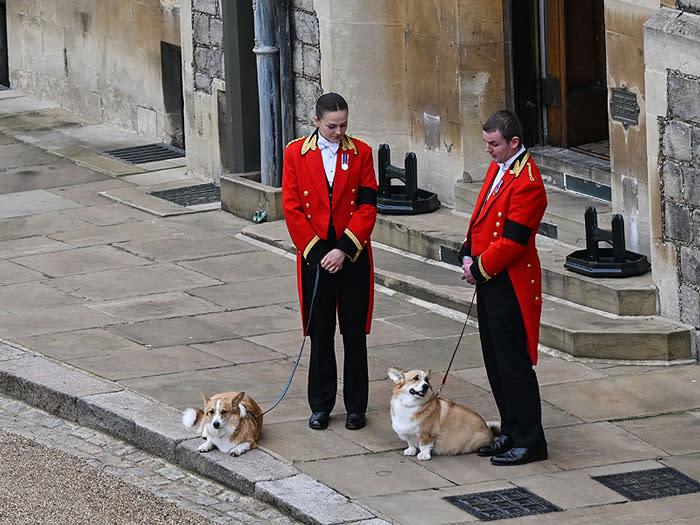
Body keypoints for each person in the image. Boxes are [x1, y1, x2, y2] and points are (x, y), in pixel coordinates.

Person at [282, 92, 378, 431]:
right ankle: (321, 405)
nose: (339, 133)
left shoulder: (362, 153)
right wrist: (319, 252)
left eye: (344, 125)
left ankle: (356, 406)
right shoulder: (295, 153)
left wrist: (344, 250)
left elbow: (367, 206)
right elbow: (292, 208)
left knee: (354, 335)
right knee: (320, 333)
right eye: (333, 126)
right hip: (316, 258)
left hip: (351, 255)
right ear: (317, 122)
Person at [459, 110, 548, 465]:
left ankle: (531, 439)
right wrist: (468, 252)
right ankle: (511, 430)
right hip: (491, 278)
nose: (488, 151)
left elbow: (513, 242)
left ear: (514, 142)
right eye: (486, 143)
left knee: (513, 364)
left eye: (494, 144)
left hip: (510, 283)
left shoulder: (527, 180)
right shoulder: (500, 168)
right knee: (495, 361)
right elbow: (481, 217)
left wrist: (477, 269)